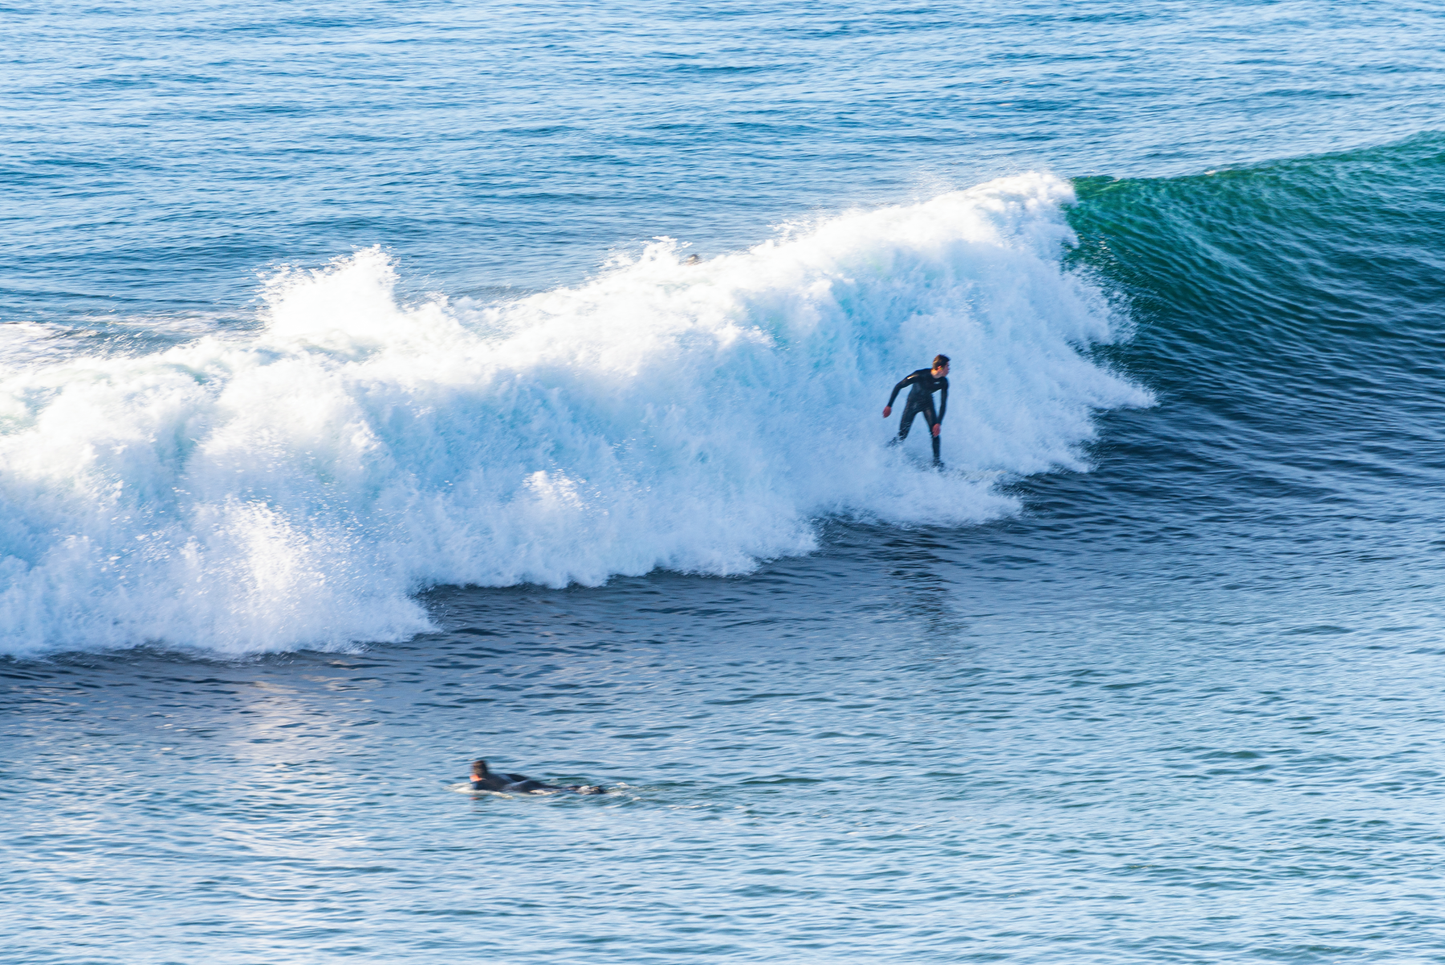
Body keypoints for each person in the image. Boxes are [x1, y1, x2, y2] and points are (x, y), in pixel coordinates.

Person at [883, 354, 950, 467]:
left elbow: (943, 403)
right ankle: (887, 451)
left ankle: (937, 462)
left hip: (927, 404)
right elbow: (899, 386)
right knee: (902, 435)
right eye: (947, 366)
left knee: (935, 433)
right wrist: (889, 405)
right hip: (912, 404)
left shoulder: (944, 382)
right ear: (940, 367)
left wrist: (938, 423)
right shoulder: (920, 375)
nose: (949, 369)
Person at [469, 759, 604, 795]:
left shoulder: (481, 782)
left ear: (475, 775)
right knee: (560, 788)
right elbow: (521, 776)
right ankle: (587, 789)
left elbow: (476, 788)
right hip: (527, 782)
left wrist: (475, 784)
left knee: (556, 792)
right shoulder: (500, 774)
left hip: (516, 788)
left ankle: (587, 792)